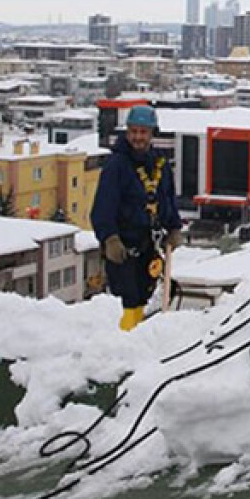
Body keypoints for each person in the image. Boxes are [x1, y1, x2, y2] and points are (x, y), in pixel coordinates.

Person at [91, 105, 183, 331]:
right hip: (123, 248)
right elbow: (103, 206)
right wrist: (109, 238)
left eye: (143, 132)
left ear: (152, 133)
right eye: (133, 131)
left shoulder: (158, 163)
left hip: (149, 246)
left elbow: (167, 197)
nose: (137, 137)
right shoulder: (116, 165)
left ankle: (140, 342)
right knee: (127, 301)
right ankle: (124, 344)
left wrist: (174, 227)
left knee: (146, 298)